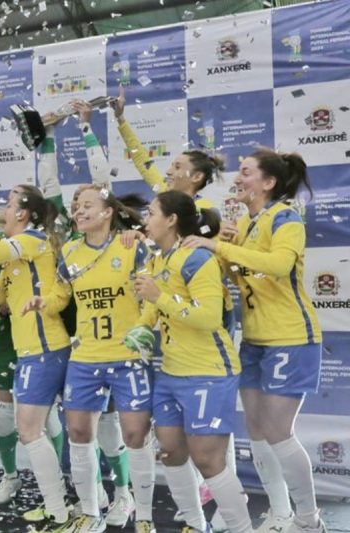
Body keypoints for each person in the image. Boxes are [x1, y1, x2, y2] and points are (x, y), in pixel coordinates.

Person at [183, 149, 325, 533]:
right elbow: (240, 276)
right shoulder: (246, 223)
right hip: (255, 339)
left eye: (245, 172)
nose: (236, 179)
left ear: (268, 183)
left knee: (279, 431)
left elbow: (278, 266)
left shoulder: (285, 218)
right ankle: (281, 514)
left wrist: (220, 247)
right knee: (258, 431)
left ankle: (310, 521)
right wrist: (226, 253)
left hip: (291, 338)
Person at [23, 184, 157, 533]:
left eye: (86, 206)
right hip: (85, 358)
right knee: (79, 432)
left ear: (108, 211)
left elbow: (154, 295)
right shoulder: (69, 251)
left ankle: (142, 516)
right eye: (75, 206)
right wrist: (43, 303)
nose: (78, 211)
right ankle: (89, 513)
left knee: (135, 435)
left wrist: (143, 330)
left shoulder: (131, 247)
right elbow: (60, 297)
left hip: (127, 357)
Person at [129, 191, 252, 533]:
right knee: (170, 452)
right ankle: (197, 525)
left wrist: (160, 296)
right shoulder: (159, 258)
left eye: (151, 213)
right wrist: (140, 328)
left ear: (171, 220)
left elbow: (210, 317)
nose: (144, 220)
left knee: (208, 461)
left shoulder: (198, 258)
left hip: (208, 372)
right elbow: (154, 308)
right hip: (170, 372)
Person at [0, 185, 73, 531]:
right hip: (33, 352)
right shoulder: (14, 254)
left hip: (45, 350)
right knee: (33, 429)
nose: (3, 210)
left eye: (10, 204)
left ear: (23, 214)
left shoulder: (32, 239)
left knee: (30, 430)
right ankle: (59, 507)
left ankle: (59, 511)